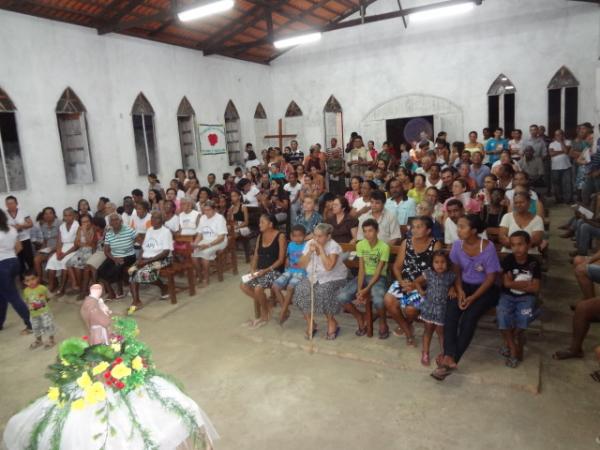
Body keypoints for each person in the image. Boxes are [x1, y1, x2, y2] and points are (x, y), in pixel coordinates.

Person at [432, 214, 501, 381]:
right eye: (458, 226)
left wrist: (473, 297)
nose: (458, 230)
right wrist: (460, 290)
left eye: (462, 227)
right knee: (451, 314)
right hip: (464, 286)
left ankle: (451, 359)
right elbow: (456, 270)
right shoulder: (457, 245)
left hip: (485, 289)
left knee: (469, 318)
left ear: (474, 230)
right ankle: (449, 356)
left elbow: (491, 278)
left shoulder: (488, 248)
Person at [383, 216, 442, 344]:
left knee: (411, 309)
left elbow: (434, 270)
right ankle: (408, 331)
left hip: (423, 284)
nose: (414, 230)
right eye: (413, 227)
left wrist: (416, 284)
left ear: (428, 231)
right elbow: (397, 267)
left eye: (419, 227)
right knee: (388, 300)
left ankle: (407, 323)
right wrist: (401, 281)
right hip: (405, 281)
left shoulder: (435, 244)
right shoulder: (406, 242)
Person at [293, 223, 348, 340]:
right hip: (315, 276)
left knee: (322, 291)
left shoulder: (334, 246)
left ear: (328, 237)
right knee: (300, 290)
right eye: (315, 236)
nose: (316, 239)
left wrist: (321, 250)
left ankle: (331, 321)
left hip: (334, 277)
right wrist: (309, 253)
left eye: (320, 236)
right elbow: (301, 264)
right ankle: (311, 323)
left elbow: (329, 267)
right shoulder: (309, 243)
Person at [338, 219, 390, 338]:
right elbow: (361, 269)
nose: (367, 234)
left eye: (370, 231)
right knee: (341, 297)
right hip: (364, 276)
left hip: (379, 277)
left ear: (377, 231)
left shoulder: (384, 247)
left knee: (378, 299)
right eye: (365, 231)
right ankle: (359, 317)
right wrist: (360, 288)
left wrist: (366, 289)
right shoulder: (361, 244)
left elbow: (378, 272)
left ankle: (383, 322)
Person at [497, 231, 541, 368]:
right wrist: (526, 285)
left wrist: (514, 284)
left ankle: (507, 343)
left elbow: (535, 288)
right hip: (507, 296)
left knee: (525, 317)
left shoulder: (534, 263)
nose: (517, 248)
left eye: (520, 244)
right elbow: (506, 284)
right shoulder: (509, 260)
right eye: (513, 245)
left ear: (528, 245)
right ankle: (514, 350)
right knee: (502, 316)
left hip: (527, 298)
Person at [240, 214, 286, 329]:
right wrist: (252, 269)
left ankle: (264, 315)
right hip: (260, 271)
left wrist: (266, 270)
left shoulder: (280, 236)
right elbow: (256, 255)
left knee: (258, 288)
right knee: (243, 285)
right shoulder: (261, 236)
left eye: (262, 222)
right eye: (259, 222)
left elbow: (281, 259)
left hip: (274, 271)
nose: (259, 225)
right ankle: (266, 304)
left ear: (271, 224)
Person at [414, 251, 456, 366]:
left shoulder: (450, 275)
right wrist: (421, 291)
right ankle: (425, 352)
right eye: (436, 262)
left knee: (442, 332)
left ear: (447, 263)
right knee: (428, 331)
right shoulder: (428, 274)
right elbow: (417, 282)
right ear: (432, 263)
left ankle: (444, 354)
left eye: (443, 262)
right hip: (429, 307)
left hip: (442, 309)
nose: (440, 265)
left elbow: (454, 284)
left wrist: (452, 288)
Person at [128, 211, 173, 309]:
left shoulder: (166, 232)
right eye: (152, 218)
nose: (153, 220)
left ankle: (163, 287)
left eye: (156, 218)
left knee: (143, 273)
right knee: (132, 271)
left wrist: (146, 261)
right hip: (146, 258)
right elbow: (143, 247)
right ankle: (136, 300)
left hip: (163, 259)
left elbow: (165, 252)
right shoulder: (149, 230)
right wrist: (139, 260)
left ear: (162, 220)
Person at [0, 209, 31, 333]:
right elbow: (19, 247)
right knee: (2, 295)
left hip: (2, 266)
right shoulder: (12, 229)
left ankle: (31, 323)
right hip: (14, 262)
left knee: (13, 296)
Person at [272, 224, 307, 325]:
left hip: (301, 272)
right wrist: (287, 259)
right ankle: (286, 310)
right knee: (275, 286)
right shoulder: (291, 244)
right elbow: (288, 255)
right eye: (295, 236)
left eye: (300, 235)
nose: (297, 238)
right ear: (291, 236)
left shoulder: (307, 246)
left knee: (290, 287)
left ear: (304, 236)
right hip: (289, 270)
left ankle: (283, 312)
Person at [97, 213, 137, 300]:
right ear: (110, 223)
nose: (114, 222)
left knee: (116, 268)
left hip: (128, 256)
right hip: (114, 256)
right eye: (112, 220)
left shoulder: (129, 230)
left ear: (121, 221)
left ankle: (120, 291)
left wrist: (130, 246)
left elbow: (138, 240)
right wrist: (114, 259)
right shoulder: (109, 233)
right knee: (100, 271)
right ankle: (111, 293)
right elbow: (106, 251)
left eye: (116, 219)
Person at [193, 201, 228, 287]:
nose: (206, 212)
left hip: (218, 241)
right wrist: (195, 244)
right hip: (206, 240)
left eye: (208, 210)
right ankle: (200, 276)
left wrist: (208, 245)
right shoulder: (203, 218)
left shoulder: (220, 218)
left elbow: (221, 237)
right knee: (193, 254)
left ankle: (206, 279)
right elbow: (200, 234)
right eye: (205, 210)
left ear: (214, 210)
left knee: (205, 254)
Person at [46, 207, 80, 295]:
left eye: (69, 215)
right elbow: (59, 241)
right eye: (65, 215)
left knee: (65, 261)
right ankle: (52, 284)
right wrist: (58, 252)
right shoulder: (61, 226)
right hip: (63, 247)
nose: (67, 217)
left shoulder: (77, 225)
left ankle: (62, 287)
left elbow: (76, 245)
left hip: (73, 248)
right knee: (52, 260)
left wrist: (64, 254)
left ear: (73, 216)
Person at [66, 214, 97, 295]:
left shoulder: (93, 228)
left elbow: (90, 243)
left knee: (78, 266)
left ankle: (81, 287)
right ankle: (75, 283)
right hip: (81, 250)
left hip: (90, 251)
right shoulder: (79, 229)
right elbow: (76, 242)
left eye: (87, 221)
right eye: (83, 222)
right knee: (68, 263)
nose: (86, 223)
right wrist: (83, 243)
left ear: (90, 221)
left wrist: (85, 232)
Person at [23, 271, 55, 349]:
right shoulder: (26, 291)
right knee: (35, 327)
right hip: (33, 314)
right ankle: (39, 340)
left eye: (33, 279)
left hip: (44, 312)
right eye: (27, 280)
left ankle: (51, 340)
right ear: (24, 282)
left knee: (48, 325)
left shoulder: (42, 288)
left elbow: (49, 296)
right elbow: (27, 301)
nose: (31, 282)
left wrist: (43, 304)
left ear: (37, 278)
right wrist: (30, 307)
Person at [5, 196, 34, 275]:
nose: (10, 205)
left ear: (16, 203)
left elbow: (31, 224)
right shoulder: (4, 214)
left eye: (12, 203)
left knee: (29, 259)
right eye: (8, 204)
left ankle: (35, 279)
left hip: (25, 239)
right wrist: (13, 228)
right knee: (19, 261)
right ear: (6, 205)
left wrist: (21, 226)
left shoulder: (23, 212)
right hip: (13, 242)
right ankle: (22, 280)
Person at [33, 207, 61, 280]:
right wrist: (42, 249)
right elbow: (45, 241)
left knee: (50, 259)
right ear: (43, 216)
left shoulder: (59, 223)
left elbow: (63, 240)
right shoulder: (43, 226)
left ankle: (53, 282)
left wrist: (54, 248)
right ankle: (40, 279)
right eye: (46, 214)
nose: (48, 215)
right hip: (48, 249)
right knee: (36, 259)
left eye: (50, 213)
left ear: (54, 214)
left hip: (58, 248)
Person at [549, 129, 573, 204]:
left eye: (560, 134)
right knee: (556, 184)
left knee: (567, 184)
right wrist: (562, 151)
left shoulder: (568, 142)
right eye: (556, 135)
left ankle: (568, 200)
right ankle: (559, 199)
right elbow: (551, 154)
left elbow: (566, 151)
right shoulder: (552, 144)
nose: (558, 136)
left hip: (566, 167)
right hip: (555, 167)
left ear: (563, 135)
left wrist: (562, 142)